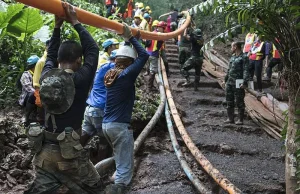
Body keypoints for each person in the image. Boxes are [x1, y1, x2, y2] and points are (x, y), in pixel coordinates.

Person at [24, 3, 102, 194]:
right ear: (79, 61)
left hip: (44, 154)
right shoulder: (81, 79)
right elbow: (93, 49)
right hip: (70, 157)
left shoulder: (46, 75)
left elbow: (50, 53)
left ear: (58, 61)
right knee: (94, 186)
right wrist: (75, 22)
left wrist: (57, 26)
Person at [102, 24, 149, 193]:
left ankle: (110, 178)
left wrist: (128, 43)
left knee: (120, 158)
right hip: (119, 126)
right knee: (125, 169)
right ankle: (117, 189)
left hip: (107, 125)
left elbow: (130, 57)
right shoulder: (126, 75)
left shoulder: (111, 74)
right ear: (129, 62)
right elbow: (144, 55)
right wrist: (131, 38)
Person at [81, 50, 118, 161]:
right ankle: (101, 167)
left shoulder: (102, 67)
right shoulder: (114, 70)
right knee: (104, 140)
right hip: (100, 110)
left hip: (89, 108)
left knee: (85, 134)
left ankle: (70, 157)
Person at [224, 42, 250, 125]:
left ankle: (240, 120)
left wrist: (245, 82)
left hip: (239, 82)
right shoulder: (232, 57)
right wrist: (225, 80)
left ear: (235, 47)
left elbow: (246, 70)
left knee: (239, 100)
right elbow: (229, 69)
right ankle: (230, 118)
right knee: (229, 100)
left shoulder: (244, 57)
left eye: (232, 46)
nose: (231, 48)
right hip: (230, 82)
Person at [19, 55, 39, 126]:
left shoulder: (38, 74)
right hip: (27, 98)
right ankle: (26, 116)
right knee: (33, 94)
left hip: (37, 96)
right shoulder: (26, 75)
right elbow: (29, 89)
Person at [32, 40, 50, 124]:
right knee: (42, 114)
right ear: (46, 47)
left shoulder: (54, 60)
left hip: (50, 91)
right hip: (42, 91)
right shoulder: (41, 62)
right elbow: (36, 82)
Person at [145, 22, 164, 92]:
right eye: (163, 28)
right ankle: (149, 88)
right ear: (159, 27)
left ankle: (151, 85)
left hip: (148, 53)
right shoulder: (159, 35)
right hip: (153, 54)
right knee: (153, 71)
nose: (163, 30)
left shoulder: (152, 33)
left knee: (151, 69)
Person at [178, 20, 192, 85]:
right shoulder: (185, 29)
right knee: (183, 62)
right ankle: (185, 76)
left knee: (184, 63)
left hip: (185, 47)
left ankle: (187, 78)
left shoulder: (188, 30)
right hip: (185, 47)